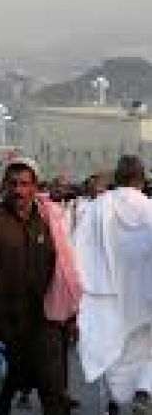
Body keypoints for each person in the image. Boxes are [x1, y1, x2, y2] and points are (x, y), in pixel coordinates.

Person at [0, 158, 74, 415]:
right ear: (4, 186)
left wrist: (70, 316)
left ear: (35, 187)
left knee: (56, 398)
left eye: (25, 184)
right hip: (0, 327)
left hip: (43, 325)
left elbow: (66, 271)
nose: (18, 190)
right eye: (12, 184)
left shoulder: (48, 220)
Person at [75, 155, 152, 414]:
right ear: (141, 179)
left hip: (105, 293)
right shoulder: (149, 208)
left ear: (117, 178)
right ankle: (144, 389)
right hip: (144, 294)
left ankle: (113, 403)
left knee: (110, 347)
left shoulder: (97, 207)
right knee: (145, 348)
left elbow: (79, 248)